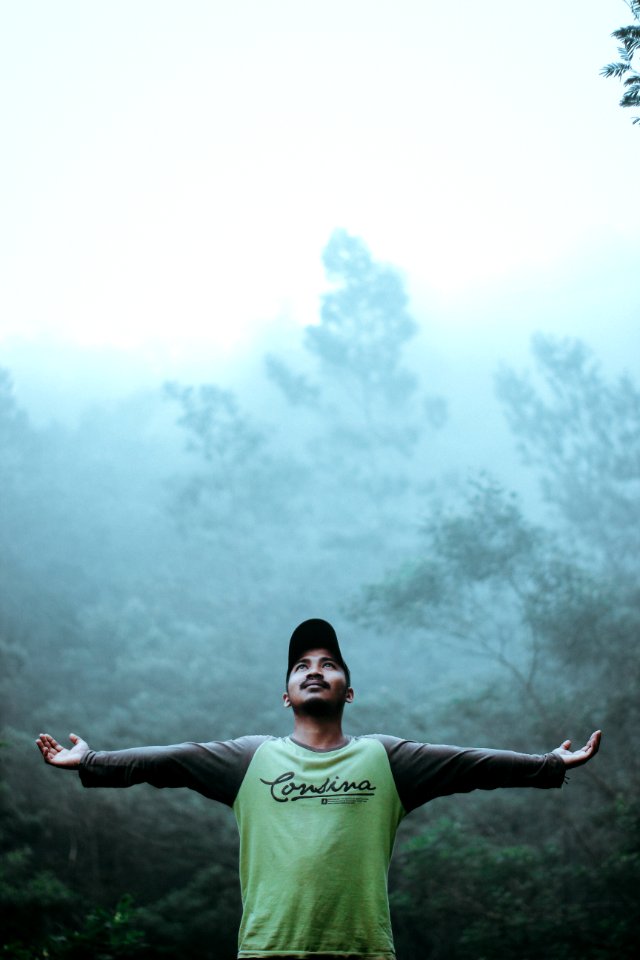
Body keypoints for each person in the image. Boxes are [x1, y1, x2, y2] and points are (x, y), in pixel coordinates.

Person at [36, 618, 601, 960]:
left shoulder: (387, 759)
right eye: (302, 665)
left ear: (347, 691)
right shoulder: (249, 759)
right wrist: (94, 761)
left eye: (329, 664)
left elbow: (471, 765)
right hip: (267, 949)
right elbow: (172, 760)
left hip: (363, 950)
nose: (315, 670)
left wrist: (549, 764)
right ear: (286, 693)